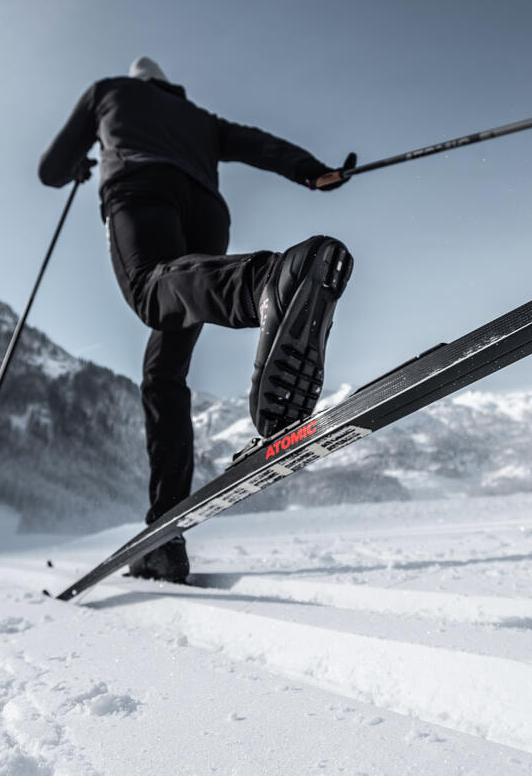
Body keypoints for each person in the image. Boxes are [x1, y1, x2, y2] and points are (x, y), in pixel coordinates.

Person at [39, 56, 354, 583]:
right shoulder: (200, 119)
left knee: (150, 290)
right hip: (207, 214)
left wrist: (77, 165)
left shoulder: (107, 93)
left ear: (136, 81)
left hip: (141, 194)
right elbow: (255, 142)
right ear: (168, 85)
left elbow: (51, 170)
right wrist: (309, 169)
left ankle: (266, 282)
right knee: (163, 370)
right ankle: (164, 533)